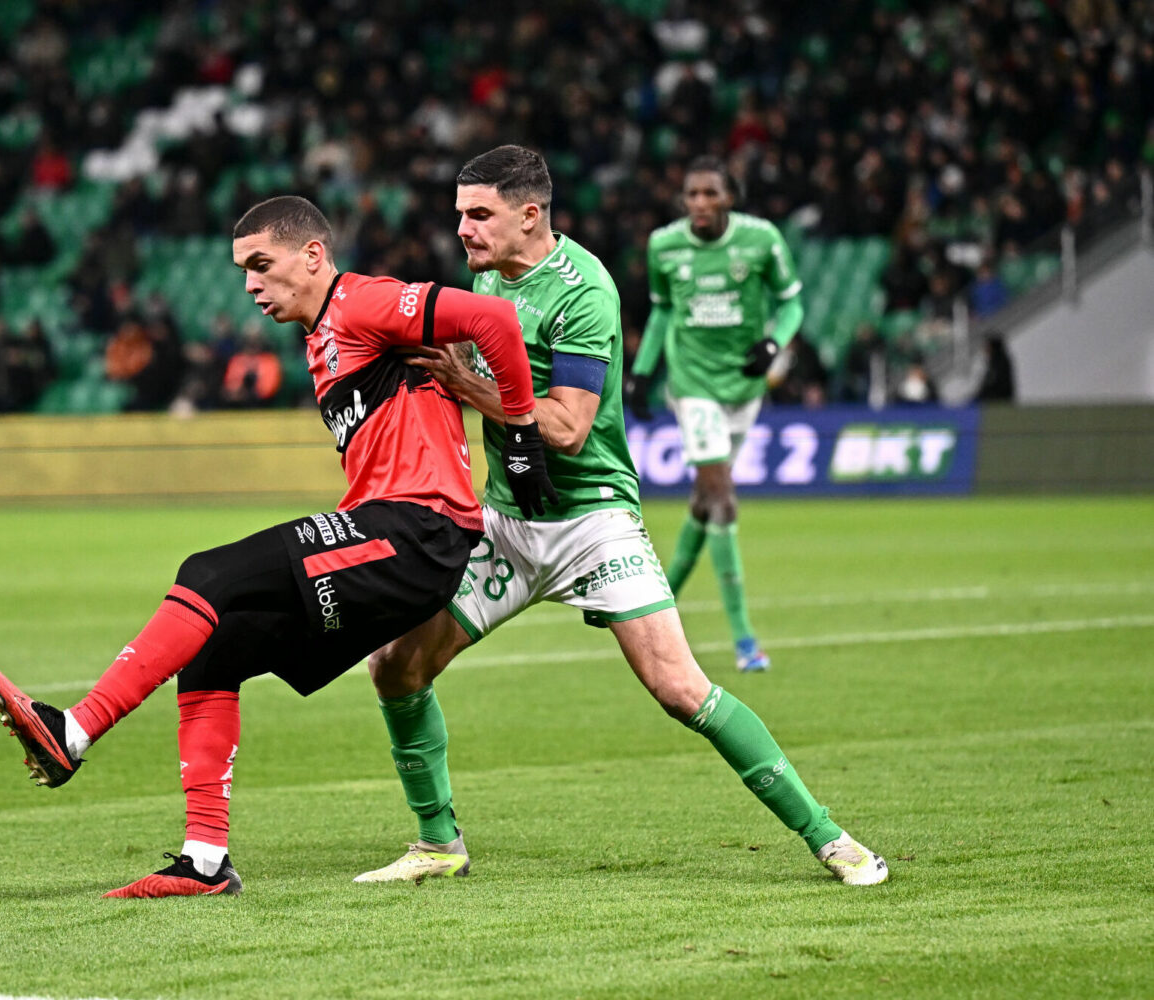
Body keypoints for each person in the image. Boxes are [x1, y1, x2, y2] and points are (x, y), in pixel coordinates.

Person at [0, 195, 557, 898]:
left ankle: (74, 730)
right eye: (243, 272)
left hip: (420, 531)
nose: (251, 285)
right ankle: (204, 862)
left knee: (208, 572)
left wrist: (522, 434)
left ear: (312, 256)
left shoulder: (361, 302)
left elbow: (494, 319)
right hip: (392, 540)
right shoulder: (321, 339)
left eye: (261, 264)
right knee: (211, 652)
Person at [356, 146, 885, 888]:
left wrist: (466, 385)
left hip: (592, 523)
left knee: (681, 690)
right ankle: (438, 842)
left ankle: (831, 838)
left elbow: (568, 428)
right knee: (396, 666)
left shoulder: (584, 291)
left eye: (479, 214)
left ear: (530, 216)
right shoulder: (489, 276)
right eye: (460, 215)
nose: (464, 229)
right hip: (506, 521)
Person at [629, 155, 805, 672]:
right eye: (692, 194)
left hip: (744, 386)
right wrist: (643, 372)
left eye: (710, 193)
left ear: (731, 197)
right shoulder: (664, 245)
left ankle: (655, 602)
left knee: (704, 503)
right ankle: (745, 640)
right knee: (722, 495)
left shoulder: (762, 240)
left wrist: (774, 343)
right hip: (693, 385)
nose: (700, 203)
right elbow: (663, 311)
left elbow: (792, 304)